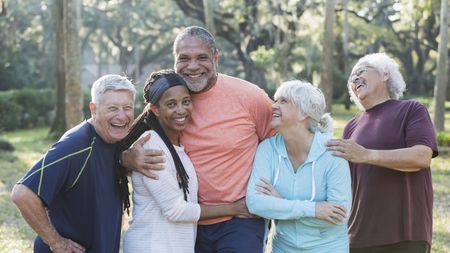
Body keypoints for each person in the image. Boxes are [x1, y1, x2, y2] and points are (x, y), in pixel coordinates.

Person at [121, 26, 274, 252]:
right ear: (175, 60)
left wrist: (273, 194)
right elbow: (125, 144)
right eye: (184, 59)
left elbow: (280, 141)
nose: (192, 66)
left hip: (241, 219)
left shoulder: (250, 97)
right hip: (189, 226)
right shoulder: (168, 99)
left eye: (201, 57)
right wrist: (126, 158)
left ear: (215, 57)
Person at [119, 70, 252, 253]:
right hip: (151, 246)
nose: (181, 110)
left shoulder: (176, 146)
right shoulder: (152, 148)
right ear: (155, 109)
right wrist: (234, 208)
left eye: (186, 102)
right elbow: (176, 210)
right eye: (171, 104)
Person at [326, 53, 438, 253]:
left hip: (404, 236)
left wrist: (367, 155)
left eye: (361, 71)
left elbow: (422, 156)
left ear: (385, 74)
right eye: (352, 77)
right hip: (358, 236)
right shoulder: (351, 126)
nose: (355, 78)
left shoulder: (412, 109)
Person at [10, 74, 136, 253]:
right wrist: (56, 242)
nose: (122, 116)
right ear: (93, 109)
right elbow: (22, 194)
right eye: (113, 108)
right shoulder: (75, 146)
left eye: (127, 107)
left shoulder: (116, 139)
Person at [246, 80, 352, 253]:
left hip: (329, 248)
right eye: (275, 100)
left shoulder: (332, 152)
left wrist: (280, 202)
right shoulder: (267, 148)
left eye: (283, 101)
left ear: (305, 113)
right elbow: (255, 203)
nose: (274, 106)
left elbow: (339, 215)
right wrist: (314, 209)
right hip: (283, 248)